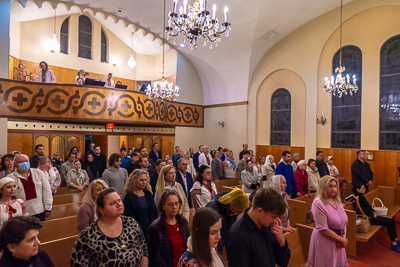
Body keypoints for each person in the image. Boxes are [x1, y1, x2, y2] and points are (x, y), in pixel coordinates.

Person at [71, 188, 149, 266]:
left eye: (119, 200)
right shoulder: (88, 235)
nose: (119, 204)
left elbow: (144, 250)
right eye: (112, 203)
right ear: (101, 210)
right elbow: (78, 264)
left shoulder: (131, 224)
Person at [226, 188, 291, 267]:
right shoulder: (238, 235)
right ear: (260, 211)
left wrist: (282, 242)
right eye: (273, 216)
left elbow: (283, 262)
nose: (275, 220)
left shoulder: (268, 225)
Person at [307, 176, 349, 267]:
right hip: (325, 240)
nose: (333, 189)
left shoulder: (336, 200)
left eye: (335, 186)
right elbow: (323, 229)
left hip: (339, 239)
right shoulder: (318, 203)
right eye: (330, 186)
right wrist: (341, 239)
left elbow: (344, 222)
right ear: (323, 187)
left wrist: (343, 239)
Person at [147, 190, 190, 267]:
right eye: (170, 204)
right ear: (163, 206)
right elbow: (155, 257)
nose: (174, 207)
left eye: (176, 203)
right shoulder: (155, 228)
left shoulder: (183, 222)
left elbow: (188, 246)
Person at [352, 184, 400, 252]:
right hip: (368, 219)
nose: (364, 189)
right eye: (362, 188)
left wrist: (374, 211)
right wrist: (371, 215)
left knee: (391, 221)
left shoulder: (361, 196)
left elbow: (368, 207)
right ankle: (394, 244)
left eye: (364, 188)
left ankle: (396, 239)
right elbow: (360, 210)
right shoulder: (356, 198)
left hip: (372, 216)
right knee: (388, 223)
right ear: (357, 189)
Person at [7, 154, 52, 221]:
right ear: (16, 165)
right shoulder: (10, 178)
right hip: (21, 212)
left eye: (26, 161)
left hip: (39, 210)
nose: (24, 163)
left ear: (29, 162)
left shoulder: (39, 173)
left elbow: (47, 191)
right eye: (21, 162)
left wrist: (48, 208)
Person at [206, 187, 249, 252]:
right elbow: (210, 234)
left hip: (225, 242)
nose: (239, 213)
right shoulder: (213, 208)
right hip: (214, 246)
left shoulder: (232, 210)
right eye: (239, 211)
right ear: (232, 206)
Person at [122, 169, 158, 236]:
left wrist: (154, 226)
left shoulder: (148, 194)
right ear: (134, 180)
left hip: (152, 229)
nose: (144, 182)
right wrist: (145, 230)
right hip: (137, 232)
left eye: (145, 180)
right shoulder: (129, 197)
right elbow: (130, 218)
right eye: (141, 180)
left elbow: (154, 212)